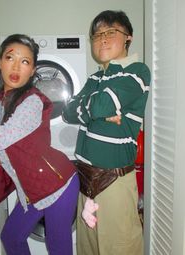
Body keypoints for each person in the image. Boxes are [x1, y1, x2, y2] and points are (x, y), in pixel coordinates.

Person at [0, 34, 79, 255]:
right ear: (0, 62)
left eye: (25, 62)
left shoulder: (32, 101)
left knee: (58, 247)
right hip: (31, 189)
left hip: (58, 185)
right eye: (10, 57)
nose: (16, 66)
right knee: (11, 238)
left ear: (32, 71)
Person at [62, 10, 151, 255]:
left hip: (114, 183)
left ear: (128, 38)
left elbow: (102, 105)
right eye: (97, 34)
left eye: (111, 32)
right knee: (88, 249)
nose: (102, 39)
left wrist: (93, 107)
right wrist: (97, 109)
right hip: (85, 181)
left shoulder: (137, 71)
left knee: (120, 249)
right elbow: (68, 111)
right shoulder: (94, 77)